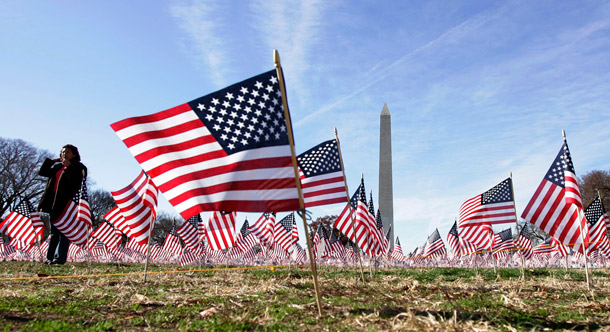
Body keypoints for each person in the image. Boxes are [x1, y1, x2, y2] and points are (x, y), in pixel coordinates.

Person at [38, 144, 87, 265]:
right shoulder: (57, 167)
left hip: (67, 204)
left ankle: (60, 259)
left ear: (74, 154)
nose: (64, 154)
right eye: (62, 152)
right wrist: (51, 161)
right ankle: (49, 258)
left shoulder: (79, 167)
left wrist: (69, 167)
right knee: (53, 233)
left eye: (68, 152)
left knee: (64, 232)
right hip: (53, 203)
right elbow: (43, 172)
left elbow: (78, 181)